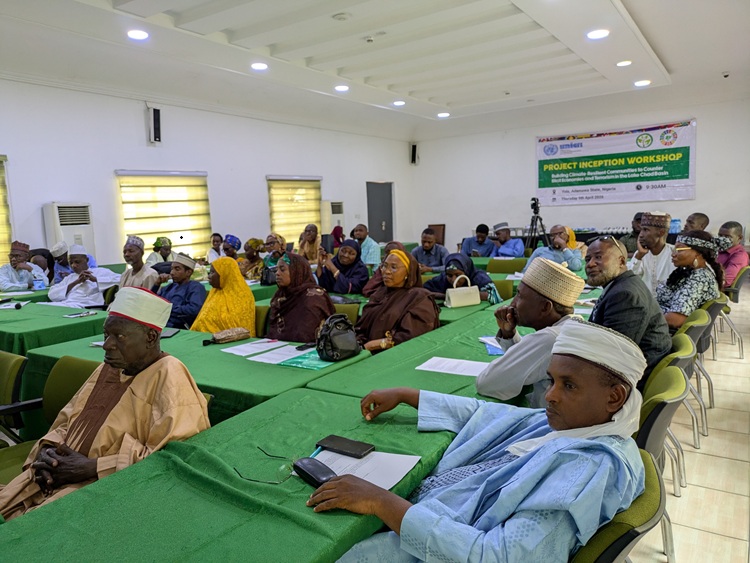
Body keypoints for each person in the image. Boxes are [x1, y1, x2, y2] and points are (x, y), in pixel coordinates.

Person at [308, 320, 646, 563]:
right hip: (427, 518)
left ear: (614, 397)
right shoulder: (573, 425)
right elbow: (487, 414)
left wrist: (381, 502)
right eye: (551, 381)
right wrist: (409, 395)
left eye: (568, 385)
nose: (550, 396)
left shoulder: (585, 470)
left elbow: (497, 557)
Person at [0, 287, 210, 522]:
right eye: (106, 334)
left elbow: (172, 461)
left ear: (151, 337)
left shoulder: (170, 376)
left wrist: (92, 467)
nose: (107, 345)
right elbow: (68, 421)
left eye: (119, 337)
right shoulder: (108, 367)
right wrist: (48, 452)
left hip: (108, 488)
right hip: (57, 472)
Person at [475, 257, 584, 406]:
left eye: (519, 296)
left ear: (545, 307)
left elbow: (486, 383)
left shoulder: (552, 338)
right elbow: (529, 364)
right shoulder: (573, 325)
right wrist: (509, 335)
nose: (512, 303)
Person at [585, 236, 671, 379]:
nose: (590, 264)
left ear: (621, 261)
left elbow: (614, 354)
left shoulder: (625, 295)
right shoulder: (623, 284)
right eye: (587, 259)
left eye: (598, 257)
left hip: (632, 376)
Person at [354, 250, 439, 352]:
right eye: (384, 266)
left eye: (393, 267)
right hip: (363, 349)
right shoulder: (380, 293)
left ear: (408, 272)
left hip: (393, 353)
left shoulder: (419, 298)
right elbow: (362, 327)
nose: (386, 271)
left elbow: (410, 337)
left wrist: (373, 345)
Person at [656, 231, 722, 331]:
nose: (673, 254)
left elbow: (675, 320)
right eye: (674, 249)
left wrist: (644, 319)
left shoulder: (700, 279)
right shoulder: (689, 271)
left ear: (698, 253)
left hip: (662, 331)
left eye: (679, 250)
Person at [268, 253, 335, 342]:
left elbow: (306, 336)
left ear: (296, 271)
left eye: (282, 269)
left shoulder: (313, 298)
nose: (277, 273)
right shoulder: (282, 295)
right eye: (276, 270)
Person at [191, 257, 255, 335]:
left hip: (229, 338)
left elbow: (236, 325)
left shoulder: (242, 295)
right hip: (201, 335)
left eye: (212, 273)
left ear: (224, 274)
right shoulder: (214, 291)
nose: (209, 277)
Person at [46, 245, 120, 308]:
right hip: (67, 304)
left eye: (77, 262)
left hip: (85, 306)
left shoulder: (99, 272)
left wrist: (95, 279)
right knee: (41, 306)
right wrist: (75, 282)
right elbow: (51, 294)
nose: (74, 265)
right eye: (71, 263)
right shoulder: (70, 277)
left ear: (86, 260)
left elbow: (121, 279)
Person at [424, 253, 501, 304]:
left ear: (466, 271)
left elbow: (493, 297)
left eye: (458, 275)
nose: (453, 280)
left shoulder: (480, 278)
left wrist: (452, 296)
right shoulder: (443, 278)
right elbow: (423, 291)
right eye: (450, 276)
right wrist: (446, 296)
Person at [628, 212, 675, 295]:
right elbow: (629, 281)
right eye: (641, 230)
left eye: (645, 230)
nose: (640, 235)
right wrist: (639, 256)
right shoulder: (640, 254)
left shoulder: (675, 253)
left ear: (661, 232)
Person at [156, 254, 207, 329]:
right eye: (172, 269)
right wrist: (157, 284)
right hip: (160, 324)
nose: (172, 272)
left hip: (177, 327)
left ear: (188, 272)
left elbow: (194, 310)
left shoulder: (196, 287)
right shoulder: (170, 287)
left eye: (177, 269)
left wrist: (168, 308)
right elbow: (153, 302)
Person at [717, 221, 748, 287]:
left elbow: (725, 281)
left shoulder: (739, 256)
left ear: (739, 238)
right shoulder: (718, 250)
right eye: (720, 235)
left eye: (727, 237)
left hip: (717, 289)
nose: (722, 239)